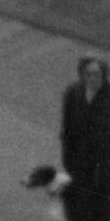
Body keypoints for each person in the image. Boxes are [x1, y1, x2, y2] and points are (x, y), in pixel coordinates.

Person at [59, 54, 110, 220]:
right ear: (81, 74)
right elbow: (67, 129)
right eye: (88, 73)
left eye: (96, 73)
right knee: (75, 207)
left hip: (103, 167)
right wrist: (68, 158)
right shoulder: (73, 93)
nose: (92, 78)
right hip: (78, 161)